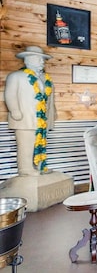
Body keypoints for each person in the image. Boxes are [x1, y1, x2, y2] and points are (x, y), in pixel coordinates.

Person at [4, 45, 56, 176]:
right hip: (24, 118)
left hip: (41, 120)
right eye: (39, 59)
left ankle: (39, 166)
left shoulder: (46, 79)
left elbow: (49, 99)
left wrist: (53, 113)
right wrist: (14, 110)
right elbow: (9, 94)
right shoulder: (16, 76)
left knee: (40, 144)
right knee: (25, 145)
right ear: (28, 60)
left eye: (42, 59)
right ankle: (25, 169)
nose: (42, 62)